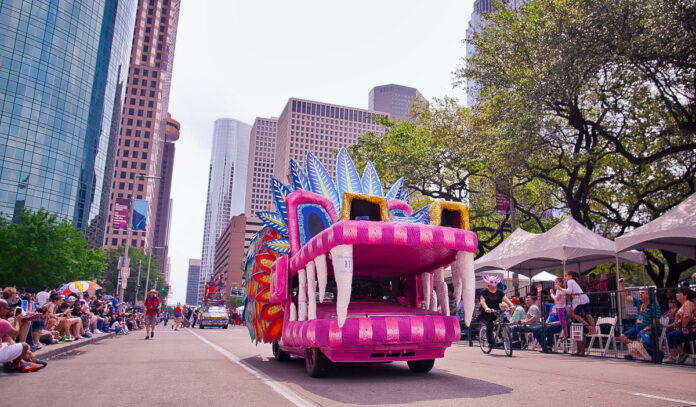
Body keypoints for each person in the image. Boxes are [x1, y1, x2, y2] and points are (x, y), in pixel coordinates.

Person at [555, 271, 596, 355]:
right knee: (588, 315)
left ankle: (589, 328)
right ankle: (593, 329)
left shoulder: (570, 281)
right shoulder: (573, 282)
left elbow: (569, 291)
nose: (565, 278)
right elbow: (568, 293)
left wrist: (560, 289)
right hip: (584, 298)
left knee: (576, 315)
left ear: (570, 276)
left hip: (580, 300)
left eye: (566, 276)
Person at [617, 280, 661, 346]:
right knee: (622, 337)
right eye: (640, 293)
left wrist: (643, 330)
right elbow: (625, 296)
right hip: (638, 329)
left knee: (645, 337)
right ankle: (637, 347)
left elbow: (656, 322)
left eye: (643, 293)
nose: (640, 294)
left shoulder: (654, 307)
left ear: (648, 295)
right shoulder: (639, 303)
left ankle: (641, 350)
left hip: (650, 330)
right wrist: (620, 284)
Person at [478, 273, 515, 347]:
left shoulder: (499, 292)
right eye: (491, 282)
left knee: (504, 320)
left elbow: (505, 299)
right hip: (486, 313)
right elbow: (482, 301)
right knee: (490, 324)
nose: (493, 284)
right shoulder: (484, 292)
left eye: (495, 282)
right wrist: (486, 308)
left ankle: (503, 337)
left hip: (496, 312)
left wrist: (512, 305)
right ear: (488, 282)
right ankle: (490, 342)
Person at [666, 287, 695, 363]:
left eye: (679, 293)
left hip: (691, 330)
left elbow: (687, 315)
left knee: (671, 335)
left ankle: (673, 357)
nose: (677, 295)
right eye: (677, 293)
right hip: (684, 329)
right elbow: (678, 320)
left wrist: (684, 327)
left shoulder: (688, 304)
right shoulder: (682, 305)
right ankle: (681, 354)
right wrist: (668, 325)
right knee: (672, 335)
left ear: (685, 296)